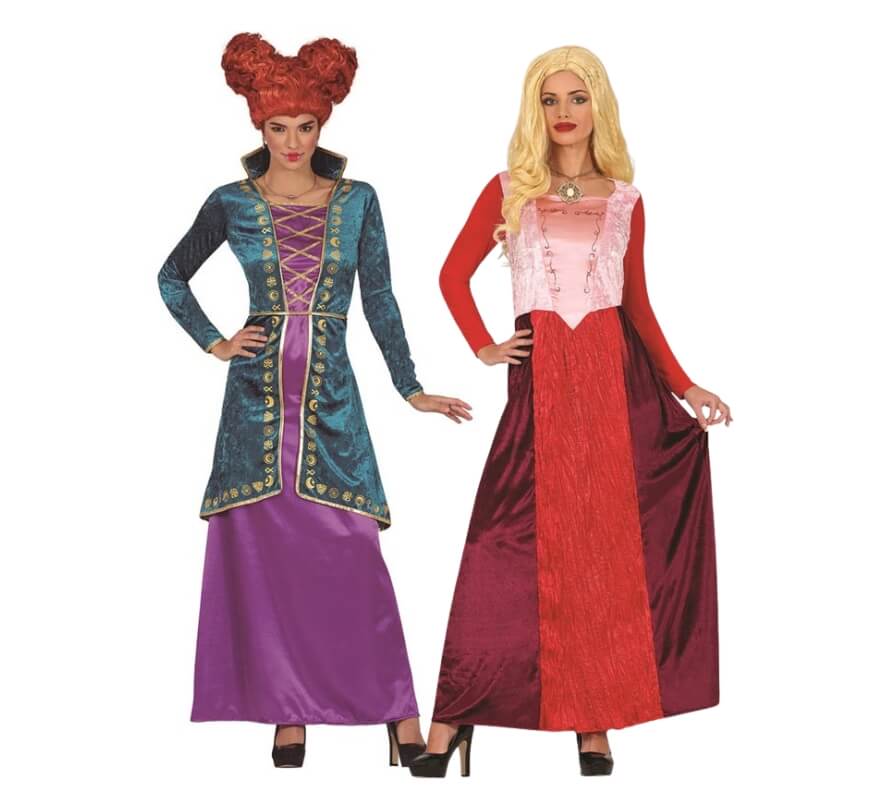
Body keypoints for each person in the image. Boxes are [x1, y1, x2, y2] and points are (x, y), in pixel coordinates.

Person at [408, 45, 732, 778]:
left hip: (617, 385)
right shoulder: (508, 190)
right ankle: (453, 714)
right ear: (535, 109)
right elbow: (451, 275)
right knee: (500, 543)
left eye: (576, 98)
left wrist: (685, 387)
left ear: (598, 107)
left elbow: (638, 305)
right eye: (549, 99)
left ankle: (595, 718)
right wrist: (484, 346)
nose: (563, 112)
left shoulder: (626, 199)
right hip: (543, 380)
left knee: (606, 552)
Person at [157, 32, 472, 769]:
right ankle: (286, 711)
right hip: (256, 407)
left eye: (305, 126)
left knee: (351, 551)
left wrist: (410, 386)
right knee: (266, 560)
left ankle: (397, 710)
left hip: (332, 400)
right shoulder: (231, 203)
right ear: (258, 126)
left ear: (322, 124)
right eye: (278, 127)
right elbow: (172, 276)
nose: (293, 142)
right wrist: (215, 341)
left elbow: (380, 298)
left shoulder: (358, 201)